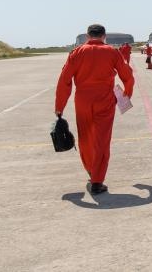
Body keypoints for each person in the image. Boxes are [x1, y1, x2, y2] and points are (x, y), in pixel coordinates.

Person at [55, 24, 135, 194]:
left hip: (83, 100)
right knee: (102, 140)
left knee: (85, 138)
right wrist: (125, 97)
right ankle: (97, 181)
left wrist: (59, 107)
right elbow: (127, 77)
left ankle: (91, 169)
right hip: (105, 101)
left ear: (87, 35)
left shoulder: (76, 52)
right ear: (104, 36)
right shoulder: (112, 52)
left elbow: (64, 80)